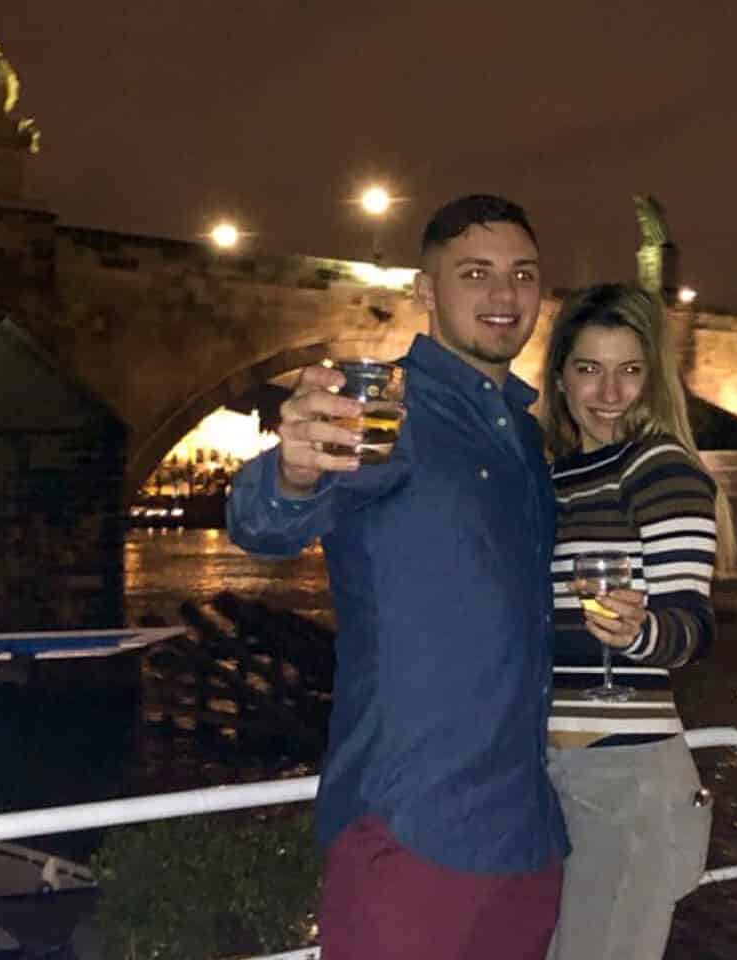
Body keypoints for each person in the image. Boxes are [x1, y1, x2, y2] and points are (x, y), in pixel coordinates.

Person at [226, 194, 572, 960]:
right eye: (475, 273)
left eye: (522, 274)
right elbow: (265, 522)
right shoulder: (392, 409)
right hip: (415, 832)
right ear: (425, 292)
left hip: (525, 836)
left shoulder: (519, 429)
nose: (504, 294)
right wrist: (290, 473)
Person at [540, 283, 731, 960]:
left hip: (629, 778)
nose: (609, 392)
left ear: (652, 380)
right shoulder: (556, 478)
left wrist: (640, 633)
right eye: (589, 369)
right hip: (554, 770)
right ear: (560, 377)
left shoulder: (659, 468)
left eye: (629, 370)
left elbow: (693, 623)